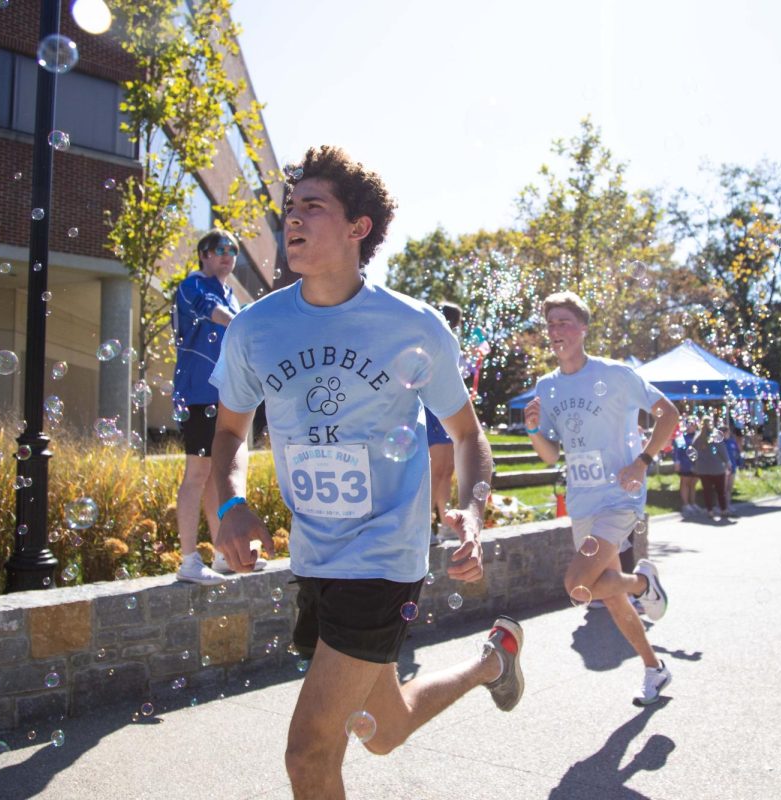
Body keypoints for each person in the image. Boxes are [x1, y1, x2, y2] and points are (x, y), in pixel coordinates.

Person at [208, 146, 523, 799]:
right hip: (317, 555)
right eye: (290, 208)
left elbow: (468, 435)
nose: (291, 219)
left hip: (385, 559)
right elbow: (230, 435)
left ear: (359, 227)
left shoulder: (412, 326)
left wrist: (470, 507)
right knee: (383, 730)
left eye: (312, 207)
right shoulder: (254, 329)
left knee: (308, 754)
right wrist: (231, 503)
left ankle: (492, 662)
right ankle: (492, 662)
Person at [523, 290, 678, 707]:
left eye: (564, 321)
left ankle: (645, 583)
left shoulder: (617, 374)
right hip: (582, 502)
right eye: (551, 323)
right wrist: (534, 429)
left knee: (577, 585)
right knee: (607, 594)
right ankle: (654, 668)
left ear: (583, 328)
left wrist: (642, 461)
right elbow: (551, 454)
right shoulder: (547, 387)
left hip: (620, 497)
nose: (556, 330)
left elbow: (670, 415)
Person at [172, 228, 264, 583]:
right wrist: (247, 324)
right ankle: (187, 560)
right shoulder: (192, 285)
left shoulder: (229, 293)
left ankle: (223, 555)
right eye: (219, 248)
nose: (227, 254)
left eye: (233, 250)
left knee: (215, 475)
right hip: (197, 393)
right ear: (204, 255)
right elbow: (216, 315)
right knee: (197, 474)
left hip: (223, 394)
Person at [425, 301, 465, 544]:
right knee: (436, 470)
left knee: (446, 471)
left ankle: (445, 523)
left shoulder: (449, 344)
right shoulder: (433, 342)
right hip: (435, 411)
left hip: (448, 410)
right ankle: (425, 527)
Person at [690, 415, 731, 522]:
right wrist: (727, 461)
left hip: (703, 469)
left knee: (707, 491)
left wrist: (695, 463)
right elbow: (722, 450)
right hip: (717, 468)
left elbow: (691, 451)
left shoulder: (697, 437)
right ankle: (723, 510)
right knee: (720, 490)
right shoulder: (716, 436)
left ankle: (710, 511)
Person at [674, 417, 701, 517]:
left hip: (696, 464)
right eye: (689, 424)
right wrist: (677, 462)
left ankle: (693, 503)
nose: (690, 426)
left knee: (693, 484)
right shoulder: (681, 437)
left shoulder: (699, 436)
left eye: (692, 424)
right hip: (685, 463)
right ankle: (686, 504)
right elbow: (677, 451)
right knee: (685, 483)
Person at [722, 423, 743, 518]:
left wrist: (740, 463)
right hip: (723, 469)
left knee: (729, 488)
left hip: (733, 467)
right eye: (725, 432)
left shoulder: (732, 441)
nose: (727, 434)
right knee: (723, 488)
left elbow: (737, 453)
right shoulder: (720, 443)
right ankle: (722, 506)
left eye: (727, 432)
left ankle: (728, 504)